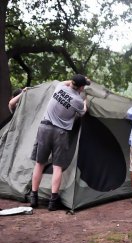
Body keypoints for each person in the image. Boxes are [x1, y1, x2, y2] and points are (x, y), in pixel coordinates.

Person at [30, 74, 90, 211]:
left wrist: (80, 81)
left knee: (39, 164)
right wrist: (85, 102)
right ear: (81, 87)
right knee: (57, 167)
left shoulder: (59, 88)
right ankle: (53, 201)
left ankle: (34, 196)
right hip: (61, 133)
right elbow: (83, 112)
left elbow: (66, 82)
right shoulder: (78, 100)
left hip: (44, 128)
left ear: (71, 83)